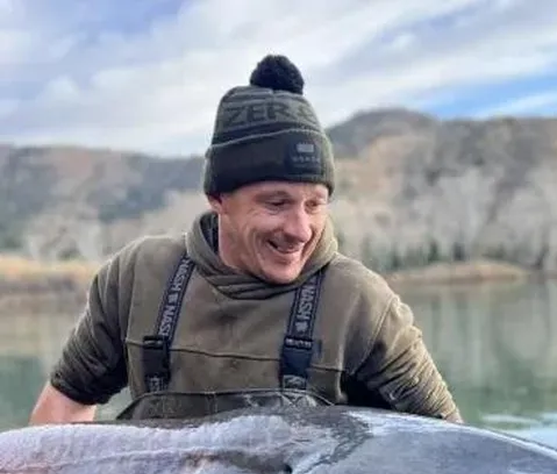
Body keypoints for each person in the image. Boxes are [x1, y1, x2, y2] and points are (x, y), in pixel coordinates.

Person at [28, 54, 462, 425]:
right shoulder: (137, 278)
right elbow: (63, 410)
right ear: (218, 197)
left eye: (315, 204)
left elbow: (453, 456)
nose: (300, 229)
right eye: (276, 204)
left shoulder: (361, 304)